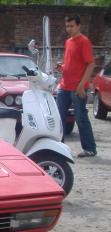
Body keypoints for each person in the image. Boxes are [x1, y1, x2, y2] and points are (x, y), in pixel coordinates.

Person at [55, 15, 97, 157]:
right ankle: (58, 146)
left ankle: (90, 148)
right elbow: (73, 63)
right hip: (64, 86)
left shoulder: (84, 42)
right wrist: (62, 67)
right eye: (67, 26)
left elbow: (91, 64)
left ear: (79, 25)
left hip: (78, 87)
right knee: (59, 117)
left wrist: (81, 85)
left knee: (80, 117)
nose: (69, 29)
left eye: (72, 26)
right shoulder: (68, 41)